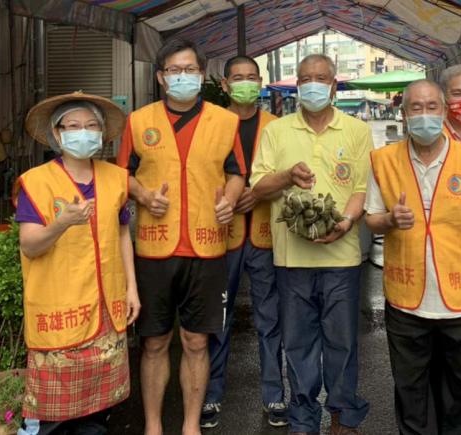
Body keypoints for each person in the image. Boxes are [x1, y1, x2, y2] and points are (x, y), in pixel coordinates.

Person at [116, 39, 246, 435]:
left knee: (195, 342)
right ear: (160, 77)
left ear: (203, 74)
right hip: (154, 248)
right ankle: (153, 426)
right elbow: (121, 173)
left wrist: (230, 199)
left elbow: (237, 172)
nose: (183, 77)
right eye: (175, 70)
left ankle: (191, 426)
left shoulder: (226, 122)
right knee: (154, 342)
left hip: (207, 248)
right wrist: (142, 195)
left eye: (190, 70)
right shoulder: (139, 121)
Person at [365, 79, 461, 435]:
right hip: (406, 298)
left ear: (443, 113)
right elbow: (371, 218)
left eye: (431, 107)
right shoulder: (382, 161)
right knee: (411, 392)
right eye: (415, 108)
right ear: (403, 113)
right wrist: (389, 221)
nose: (424, 115)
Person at [251, 54, 371, 435]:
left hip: (342, 255)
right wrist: (286, 176)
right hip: (292, 258)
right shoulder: (276, 131)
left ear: (334, 85)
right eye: (306, 78)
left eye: (321, 78)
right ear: (297, 85)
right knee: (298, 345)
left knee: (342, 343)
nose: (313, 84)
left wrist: (347, 221)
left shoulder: (356, 130)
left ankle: (342, 417)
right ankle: (303, 420)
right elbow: (259, 186)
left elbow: (361, 189)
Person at [15, 92, 140, 434]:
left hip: (105, 312)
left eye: (91, 126)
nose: (82, 133)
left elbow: (121, 234)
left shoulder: (115, 178)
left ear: (101, 133)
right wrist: (61, 223)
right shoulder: (36, 182)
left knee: (96, 416)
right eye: (73, 126)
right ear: (57, 134)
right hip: (59, 311)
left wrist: (132, 288)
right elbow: (29, 244)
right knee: (55, 420)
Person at [201, 55, 286, 429]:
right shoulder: (210, 124)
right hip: (223, 232)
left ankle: (273, 395)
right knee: (218, 316)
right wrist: (234, 196)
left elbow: (289, 174)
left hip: (266, 232)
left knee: (270, 318)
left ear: (262, 81)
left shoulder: (277, 127)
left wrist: (261, 192)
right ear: (224, 84)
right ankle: (211, 394)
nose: (246, 83)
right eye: (238, 78)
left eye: (252, 77)